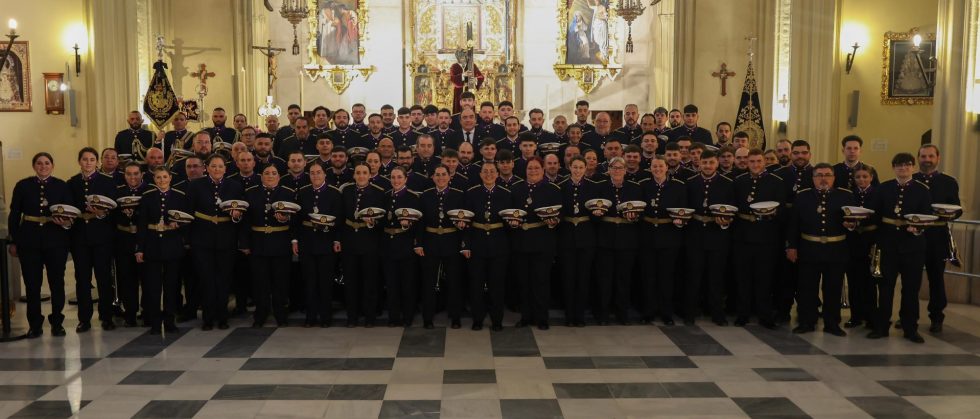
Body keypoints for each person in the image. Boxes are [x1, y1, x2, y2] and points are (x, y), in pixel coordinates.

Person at [867, 153, 932, 343]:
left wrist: (918, 228)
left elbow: (927, 215)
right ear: (893, 168)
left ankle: (910, 327)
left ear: (913, 167)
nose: (903, 168)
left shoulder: (922, 190)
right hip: (888, 244)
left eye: (907, 165)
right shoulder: (884, 188)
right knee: (885, 287)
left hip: (913, 246)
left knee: (911, 289)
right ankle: (881, 327)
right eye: (898, 165)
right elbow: (875, 215)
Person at [785, 163, 856, 336]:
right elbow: (794, 224)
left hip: (836, 249)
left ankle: (832, 323)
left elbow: (854, 221)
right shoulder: (803, 197)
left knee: (833, 288)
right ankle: (806, 322)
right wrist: (791, 247)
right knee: (807, 288)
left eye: (827, 175)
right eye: (819, 175)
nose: (823, 178)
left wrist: (852, 225)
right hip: (809, 248)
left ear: (833, 178)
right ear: (813, 178)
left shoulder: (845, 196)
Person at [9, 153, 72, 338]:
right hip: (30, 241)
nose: (43, 166)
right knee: (32, 285)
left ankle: (57, 322)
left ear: (52, 165)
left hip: (56, 240)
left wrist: (66, 224)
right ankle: (35, 324)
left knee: (56, 283)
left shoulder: (62, 186)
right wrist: (14, 240)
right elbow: (14, 215)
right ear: (34, 166)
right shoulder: (23, 185)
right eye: (39, 163)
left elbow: (70, 212)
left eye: (47, 163)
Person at [187, 154, 245, 330]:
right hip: (202, 239)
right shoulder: (196, 185)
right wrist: (189, 239)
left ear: (225, 169)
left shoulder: (235, 186)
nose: (217, 169)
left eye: (220, 166)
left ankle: (223, 317)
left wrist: (236, 216)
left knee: (224, 279)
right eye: (213, 166)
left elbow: (242, 213)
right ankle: (208, 317)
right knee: (206, 279)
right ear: (207, 168)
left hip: (226, 239)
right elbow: (189, 213)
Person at [68, 147, 118, 332]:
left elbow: (115, 209)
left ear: (96, 162)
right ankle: (85, 319)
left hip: (102, 237)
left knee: (104, 278)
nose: (88, 163)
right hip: (80, 238)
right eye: (84, 159)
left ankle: (106, 317)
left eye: (91, 159)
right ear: (79, 161)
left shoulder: (107, 181)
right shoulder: (72, 183)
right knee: (82, 279)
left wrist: (103, 214)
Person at [732, 149, 784, 328]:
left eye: (758, 161)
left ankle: (765, 315)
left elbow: (781, 209)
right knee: (742, 277)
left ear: (764, 162)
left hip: (766, 236)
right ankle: (742, 314)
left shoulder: (776, 182)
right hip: (743, 236)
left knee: (765, 278)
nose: (755, 164)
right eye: (751, 161)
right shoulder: (739, 182)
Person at [508, 157, 562, 330]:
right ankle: (525, 316)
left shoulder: (552, 189)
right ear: (525, 170)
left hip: (542, 242)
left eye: (537, 168)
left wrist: (554, 221)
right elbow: (511, 213)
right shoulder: (516, 189)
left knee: (541, 281)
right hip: (521, 241)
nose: (533, 171)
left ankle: (541, 317)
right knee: (523, 281)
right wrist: (512, 222)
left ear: (543, 169)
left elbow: (559, 213)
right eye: (530, 168)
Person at [240, 164, 296, 328]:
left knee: (281, 281)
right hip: (258, 243)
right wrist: (244, 243)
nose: (270, 176)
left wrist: (287, 221)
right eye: (267, 173)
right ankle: (261, 314)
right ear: (261, 176)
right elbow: (245, 221)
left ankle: (281, 314)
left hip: (281, 243)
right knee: (260, 282)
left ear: (279, 176)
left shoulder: (288, 193)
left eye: (274, 173)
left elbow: (296, 220)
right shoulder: (251, 193)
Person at [135, 167, 189, 335]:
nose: (162, 180)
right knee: (153, 287)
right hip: (152, 245)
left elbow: (187, 220)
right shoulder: (148, 197)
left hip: (172, 245)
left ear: (170, 178)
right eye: (158, 177)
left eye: (165, 177)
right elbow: (142, 226)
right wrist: (139, 249)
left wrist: (179, 225)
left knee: (172, 286)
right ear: (154, 179)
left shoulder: (180, 197)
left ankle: (170, 320)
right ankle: (155, 322)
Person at [683, 150, 735, 326]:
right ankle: (689, 312)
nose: (707, 166)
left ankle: (716, 312)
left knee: (716, 276)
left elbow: (732, 209)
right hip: (695, 235)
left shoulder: (728, 184)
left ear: (717, 163)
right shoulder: (690, 183)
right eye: (704, 163)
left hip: (717, 235)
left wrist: (726, 221)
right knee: (693, 275)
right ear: (699, 164)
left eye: (711, 163)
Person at [913, 144, 961, 333]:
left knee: (936, 278)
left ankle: (936, 317)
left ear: (938, 158)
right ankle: (908, 315)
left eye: (931, 156)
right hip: (914, 235)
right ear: (918, 158)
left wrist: (950, 214)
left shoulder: (949, 182)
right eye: (923, 156)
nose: (927, 160)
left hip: (937, 236)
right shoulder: (912, 180)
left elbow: (956, 208)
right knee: (911, 279)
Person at [639, 157, 687, 325]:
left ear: (667, 167)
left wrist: (681, 221)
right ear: (650, 168)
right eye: (654, 166)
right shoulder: (644, 185)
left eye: (661, 166)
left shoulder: (678, 187)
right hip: (648, 237)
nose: (657, 169)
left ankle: (666, 312)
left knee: (667, 277)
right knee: (648, 276)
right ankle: (648, 311)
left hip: (670, 237)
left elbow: (683, 210)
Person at [463, 163, 512, 331]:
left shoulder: (506, 194)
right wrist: (466, 245)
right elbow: (467, 222)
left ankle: (497, 320)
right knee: (476, 284)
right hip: (477, 244)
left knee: (497, 285)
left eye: (492, 172)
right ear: (480, 174)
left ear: (498, 174)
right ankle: (478, 319)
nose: (489, 174)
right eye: (486, 171)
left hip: (499, 246)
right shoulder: (471, 193)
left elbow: (509, 223)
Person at [595, 157, 642, 325]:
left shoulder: (635, 188)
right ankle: (603, 314)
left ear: (625, 170)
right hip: (605, 240)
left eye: (620, 168)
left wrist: (635, 216)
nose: (617, 170)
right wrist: (597, 215)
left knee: (624, 279)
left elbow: (641, 213)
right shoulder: (600, 187)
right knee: (604, 279)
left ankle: (622, 314)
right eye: (614, 167)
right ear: (608, 169)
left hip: (627, 240)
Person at [417, 165, 466, 329]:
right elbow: (420, 222)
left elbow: (464, 221)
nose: (440, 178)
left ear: (449, 177)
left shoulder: (459, 195)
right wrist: (419, 243)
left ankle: (455, 317)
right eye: (437, 175)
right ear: (433, 177)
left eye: (444, 174)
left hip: (451, 241)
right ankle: (428, 317)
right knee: (428, 282)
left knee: (454, 281)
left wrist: (463, 243)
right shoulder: (425, 196)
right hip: (430, 242)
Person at [339, 162, 386, 327]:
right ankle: (352, 316)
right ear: (354, 175)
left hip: (369, 241)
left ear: (369, 175)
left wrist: (373, 223)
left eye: (364, 173)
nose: (361, 176)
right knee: (351, 281)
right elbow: (340, 217)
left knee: (370, 281)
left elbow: (384, 221)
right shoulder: (346, 192)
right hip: (349, 241)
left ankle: (369, 317)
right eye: (358, 173)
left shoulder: (379, 193)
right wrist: (339, 239)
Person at [557, 157, 600, 327]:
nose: (577, 170)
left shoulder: (593, 187)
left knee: (583, 278)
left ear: (585, 168)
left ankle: (580, 315)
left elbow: (598, 212)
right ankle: (569, 315)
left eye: (581, 167)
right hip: (566, 237)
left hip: (586, 237)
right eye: (575, 167)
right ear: (569, 168)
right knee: (568, 277)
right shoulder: (561, 186)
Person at [381, 167, 422, 327]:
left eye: (399, 177)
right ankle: (393, 317)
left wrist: (410, 231)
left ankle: (408, 316)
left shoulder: (413, 197)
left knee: (407, 284)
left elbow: (419, 224)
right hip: (388, 245)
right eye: (393, 177)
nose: (396, 180)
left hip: (405, 245)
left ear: (405, 179)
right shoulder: (385, 196)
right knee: (391, 284)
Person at [114, 162, 150, 327]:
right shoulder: (118, 191)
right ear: (124, 175)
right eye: (129, 174)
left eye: (136, 173)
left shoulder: (149, 192)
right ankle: (130, 313)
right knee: (127, 278)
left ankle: (147, 311)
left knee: (147, 278)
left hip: (144, 239)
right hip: (123, 239)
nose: (133, 177)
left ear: (142, 174)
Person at [843, 163, 878, 329]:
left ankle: (871, 317)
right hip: (853, 242)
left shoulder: (878, 194)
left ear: (871, 177)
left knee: (870, 282)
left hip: (871, 242)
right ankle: (855, 316)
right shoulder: (849, 195)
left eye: (865, 176)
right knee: (854, 280)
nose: (861, 179)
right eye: (858, 177)